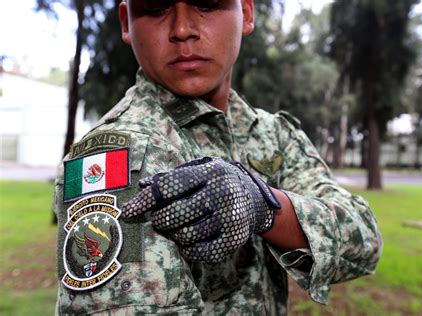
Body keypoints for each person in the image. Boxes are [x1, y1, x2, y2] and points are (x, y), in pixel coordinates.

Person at [54, 0, 383, 314]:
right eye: (155, 8)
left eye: (208, 4)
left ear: (247, 12)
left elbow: (363, 241)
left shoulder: (271, 134)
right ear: (127, 24)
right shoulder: (118, 155)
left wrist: (263, 207)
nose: (182, 29)